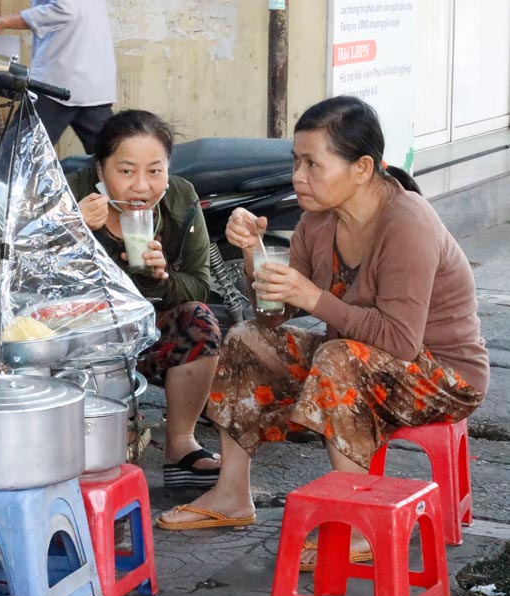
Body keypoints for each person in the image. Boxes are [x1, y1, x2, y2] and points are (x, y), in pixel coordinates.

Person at [156, 96, 489, 571]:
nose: (298, 176)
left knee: (339, 357)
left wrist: (313, 297)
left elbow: (399, 342)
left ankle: (357, 518)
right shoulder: (318, 219)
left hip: (445, 378)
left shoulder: (406, 222)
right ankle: (232, 493)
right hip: (364, 362)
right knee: (247, 339)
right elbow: (274, 317)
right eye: (296, 161)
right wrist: (255, 256)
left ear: (362, 168)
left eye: (313, 163)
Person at [66, 110, 223, 487]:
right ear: (101, 171)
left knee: (199, 320)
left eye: (154, 171)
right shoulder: (68, 194)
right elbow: (28, 271)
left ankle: (181, 445)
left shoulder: (181, 197)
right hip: (80, 335)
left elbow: (201, 284)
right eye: (126, 171)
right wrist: (70, 228)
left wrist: (162, 278)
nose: (141, 187)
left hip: (148, 333)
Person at [0, 0, 116, 153]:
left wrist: (1, 23)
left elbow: (65, 10)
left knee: (13, 163)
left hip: (58, 82)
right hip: (91, 81)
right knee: (112, 156)